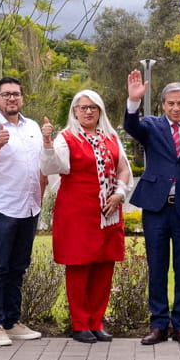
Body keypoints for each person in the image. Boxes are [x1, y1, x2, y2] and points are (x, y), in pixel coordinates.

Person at [124, 70, 180, 346]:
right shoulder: (151, 126)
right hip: (156, 207)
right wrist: (133, 102)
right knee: (157, 267)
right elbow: (131, 126)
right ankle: (158, 324)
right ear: (163, 105)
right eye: (170, 103)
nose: (176, 108)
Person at [39, 89, 131, 343]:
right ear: (75, 111)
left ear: (100, 110)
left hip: (109, 211)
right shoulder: (66, 138)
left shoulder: (111, 137)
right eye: (83, 107)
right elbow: (52, 167)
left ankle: (96, 321)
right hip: (77, 213)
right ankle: (80, 324)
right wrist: (47, 143)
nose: (88, 111)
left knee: (104, 266)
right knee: (79, 267)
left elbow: (123, 168)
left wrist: (120, 193)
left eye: (93, 107)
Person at [0, 78, 45, 347]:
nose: (11, 99)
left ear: (22, 98)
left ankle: (12, 322)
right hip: (1, 208)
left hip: (29, 207)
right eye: (6, 95)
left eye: (16, 94)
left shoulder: (33, 127)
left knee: (18, 268)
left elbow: (40, 165)